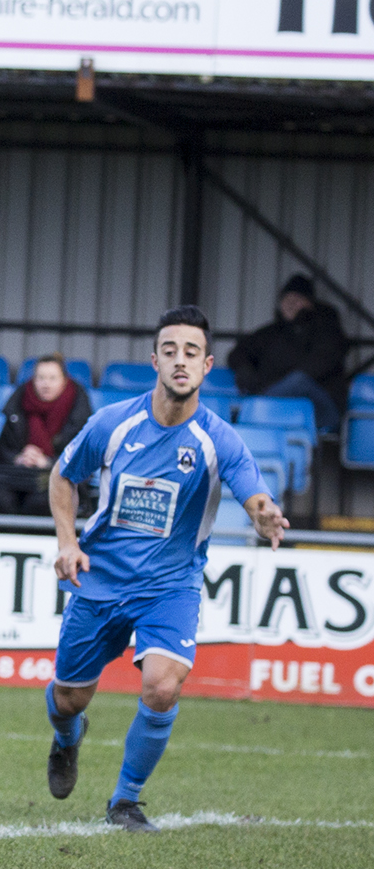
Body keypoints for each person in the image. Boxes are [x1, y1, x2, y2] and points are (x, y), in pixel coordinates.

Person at [43, 305, 287, 831]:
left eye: (191, 352)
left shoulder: (219, 440)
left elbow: (252, 493)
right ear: (155, 359)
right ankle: (67, 739)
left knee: (161, 686)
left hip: (170, 586)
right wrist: (68, 543)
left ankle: (125, 801)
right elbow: (63, 478)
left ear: (207, 365)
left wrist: (264, 513)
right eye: (171, 351)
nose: (181, 361)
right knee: (68, 698)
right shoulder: (113, 422)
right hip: (100, 577)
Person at [227, 274, 349, 433]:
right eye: (286, 299)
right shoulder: (270, 333)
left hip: (321, 409)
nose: (290, 304)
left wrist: (278, 384)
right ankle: (252, 412)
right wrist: (244, 368)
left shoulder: (327, 329)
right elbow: (237, 352)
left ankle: (248, 412)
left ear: (310, 303)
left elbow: (322, 359)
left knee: (298, 381)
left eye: (297, 299)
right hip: (279, 409)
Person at [0, 354, 92, 517]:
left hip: (61, 475)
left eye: (52, 378)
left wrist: (48, 462)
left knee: (40, 502)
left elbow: (84, 457)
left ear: (64, 381)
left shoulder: (79, 408)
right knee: (0, 497)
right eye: (41, 378)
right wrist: (19, 458)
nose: (46, 384)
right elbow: (2, 448)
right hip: (19, 473)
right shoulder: (18, 402)